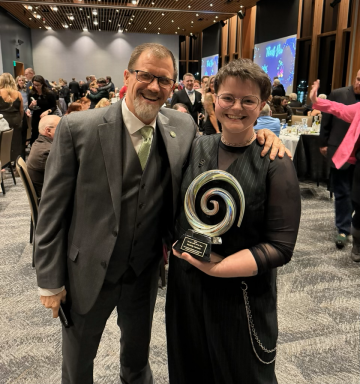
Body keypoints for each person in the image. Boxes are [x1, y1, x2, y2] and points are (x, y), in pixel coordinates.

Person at [34, 43, 286, 384]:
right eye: (145, 76)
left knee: (137, 361)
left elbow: (224, 142)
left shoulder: (181, 128)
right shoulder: (78, 128)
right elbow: (51, 210)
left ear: (173, 87)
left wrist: (262, 134)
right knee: (78, 366)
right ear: (127, 76)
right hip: (87, 274)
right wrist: (50, 279)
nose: (154, 87)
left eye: (164, 80)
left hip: (145, 272)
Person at [166, 59, 301, 384]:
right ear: (214, 97)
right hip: (187, 292)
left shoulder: (275, 161)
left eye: (248, 100)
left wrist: (215, 268)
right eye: (228, 98)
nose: (236, 107)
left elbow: (280, 247)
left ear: (262, 105)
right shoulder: (198, 145)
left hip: (241, 297)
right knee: (189, 371)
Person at [310, 78, 360, 261]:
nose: (359, 82)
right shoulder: (348, 100)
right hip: (344, 155)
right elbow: (337, 109)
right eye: (358, 78)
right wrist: (316, 100)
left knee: (357, 200)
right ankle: (345, 230)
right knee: (344, 194)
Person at [27, 115, 61, 197]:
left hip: (51, 193)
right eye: (61, 127)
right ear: (48, 130)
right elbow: (66, 175)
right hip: (52, 200)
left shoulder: (40, 143)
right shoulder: (47, 152)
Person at [27, 75, 57, 144]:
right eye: (34, 85)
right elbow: (30, 107)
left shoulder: (49, 94)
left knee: (46, 136)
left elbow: (54, 107)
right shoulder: (32, 93)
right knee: (35, 135)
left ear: (42, 84)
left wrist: (47, 111)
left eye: (38, 85)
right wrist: (31, 105)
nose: (36, 87)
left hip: (47, 118)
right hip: (36, 117)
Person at [0, 73, 24, 161]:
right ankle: (16, 164)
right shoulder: (18, 93)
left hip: (2, 121)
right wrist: (20, 119)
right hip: (16, 120)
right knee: (16, 142)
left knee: (3, 143)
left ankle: (3, 163)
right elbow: (21, 110)